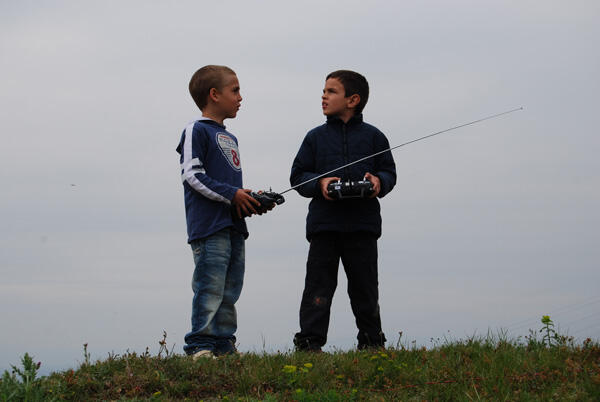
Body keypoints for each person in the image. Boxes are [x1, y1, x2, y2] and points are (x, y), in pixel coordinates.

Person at [290, 70, 397, 351]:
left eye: (331, 91)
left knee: (365, 288)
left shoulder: (375, 137)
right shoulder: (314, 138)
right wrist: (321, 183)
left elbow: (389, 173)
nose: (323, 96)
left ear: (353, 100)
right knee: (318, 287)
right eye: (324, 91)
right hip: (324, 227)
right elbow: (298, 176)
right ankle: (309, 343)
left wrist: (378, 182)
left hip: (363, 226)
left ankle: (372, 343)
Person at [176, 65, 266, 359]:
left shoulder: (231, 138)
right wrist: (232, 195)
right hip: (209, 226)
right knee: (210, 286)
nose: (240, 97)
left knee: (230, 288)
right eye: (235, 90)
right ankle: (200, 345)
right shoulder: (196, 129)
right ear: (214, 95)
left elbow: (230, 187)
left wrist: (248, 200)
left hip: (234, 225)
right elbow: (192, 175)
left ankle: (224, 344)